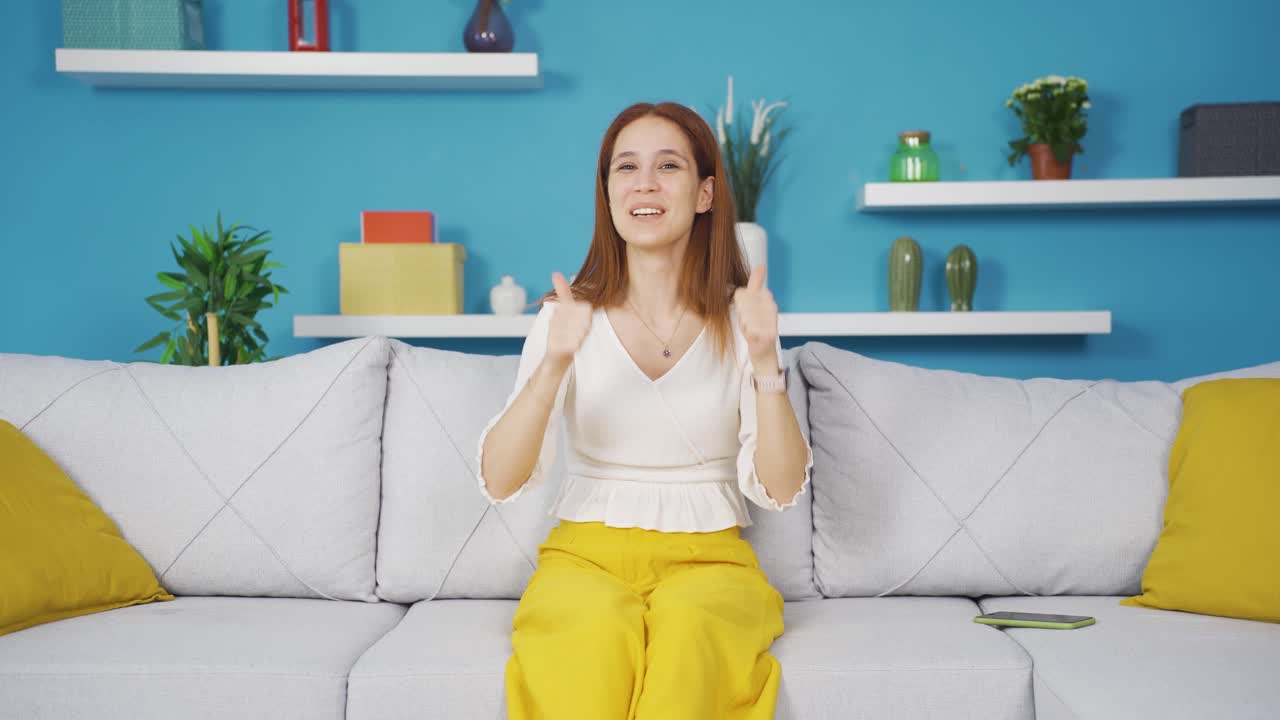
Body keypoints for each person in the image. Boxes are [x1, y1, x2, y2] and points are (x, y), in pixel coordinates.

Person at [476, 100, 813, 720]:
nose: (645, 184)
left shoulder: (746, 320)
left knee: (689, 637)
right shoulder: (564, 317)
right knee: (592, 640)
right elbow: (500, 479)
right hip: (585, 558)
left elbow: (782, 486)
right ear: (607, 194)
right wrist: (554, 363)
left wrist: (766, 361)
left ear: (706, 193)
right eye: (625, 168)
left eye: (669, 166)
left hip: (711, 562)